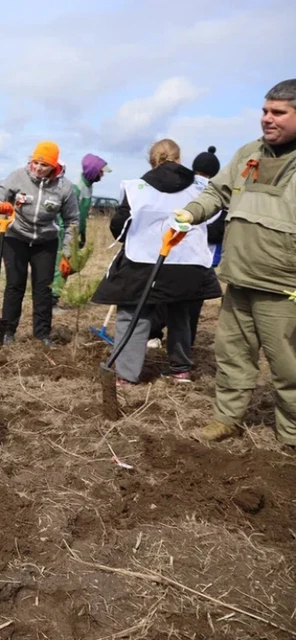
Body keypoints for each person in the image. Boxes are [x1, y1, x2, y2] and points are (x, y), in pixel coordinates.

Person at [174, 79, 296, 446]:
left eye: (278, 113)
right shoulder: (248, 154)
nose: (267, 119)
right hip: (240, 278)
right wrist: (191, 212)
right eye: (264, 111)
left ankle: (291, 434)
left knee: (287, 367)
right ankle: (226, 418)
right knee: (232, 356)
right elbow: (216, 191)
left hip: (284, 288)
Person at [92, 139, 221, 392]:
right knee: (181, 314)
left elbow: (119, 226)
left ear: (152, 160)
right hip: (188, 262)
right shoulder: (203, 188)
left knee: (133, 314)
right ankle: (181, 369)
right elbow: (216, 226)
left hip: (143, 262)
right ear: (180, 159)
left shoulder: (137, 187)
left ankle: (126, 375)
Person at [0, 141, 80, 348]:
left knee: (43, 289)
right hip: (15, 237)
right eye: (35, 162)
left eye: (43, 165)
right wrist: (0, 206)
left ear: (54, 166)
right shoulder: (18, 176)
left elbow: (72, 220)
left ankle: (42, 335)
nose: (37, 168)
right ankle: (7, 332)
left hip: (45, 241)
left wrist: (67, 253)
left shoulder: (64, 188)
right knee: (14, 285)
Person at [148, 145, 224, 348]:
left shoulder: (183, 184)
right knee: (191, 303)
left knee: (165, 295)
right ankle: (184, 345)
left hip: (174, 250)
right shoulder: (217, 193)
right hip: (202, 259)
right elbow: (218, 232)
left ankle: (153, 334)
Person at [52, 153, 110, 304]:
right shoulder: (77, 188)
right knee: (62, 265)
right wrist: (69, 236)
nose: (102, 175)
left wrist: (82, 235)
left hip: (75, 232)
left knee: (71, 265)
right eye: (101, 172)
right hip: (64, 232)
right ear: (93, 170)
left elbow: (81, 216)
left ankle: (52, 291)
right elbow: (68, 216)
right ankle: (52, 299)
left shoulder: (88, 188)